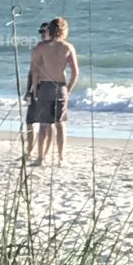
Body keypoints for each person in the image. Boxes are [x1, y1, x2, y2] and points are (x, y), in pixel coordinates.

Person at [29, 17, 79, 167]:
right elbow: (75, 72)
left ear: (49, 29)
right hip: (61, 86)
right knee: (60, 124)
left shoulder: (40, 47)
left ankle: (40, 158)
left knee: (44, 124)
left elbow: (34, 71)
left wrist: (35, 88)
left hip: (44, 86)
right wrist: (68, 88)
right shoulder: (68, 47)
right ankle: (61, 158)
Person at [23, 22, 51, 156]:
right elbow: (31, 71)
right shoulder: (38, 48)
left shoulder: (55, 49)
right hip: (35, 88)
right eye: (40, 32)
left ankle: (44, 152)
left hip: (47, 87)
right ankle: (29, 151)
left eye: (44, 31)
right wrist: (28, 90)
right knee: (29, 121)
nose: (42, 34)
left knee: (46, 123)